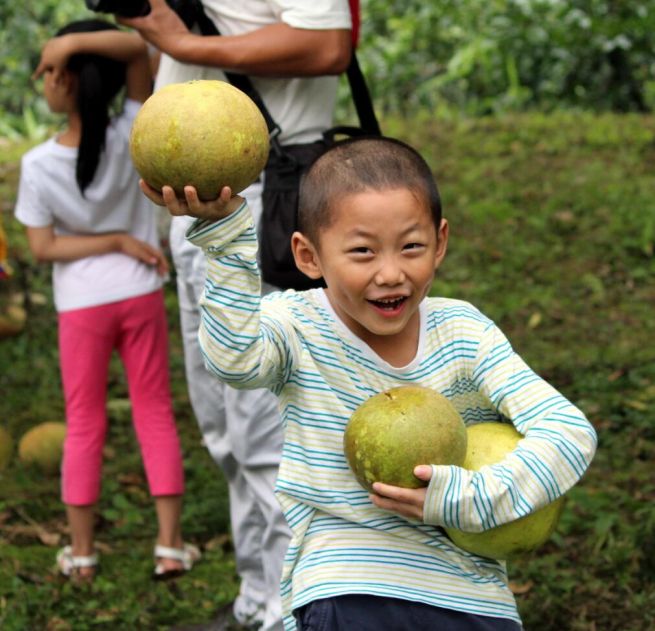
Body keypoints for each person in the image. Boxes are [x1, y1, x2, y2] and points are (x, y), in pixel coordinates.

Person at [142, 136, 598, 630]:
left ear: (440, 242)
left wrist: (472, 498)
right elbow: (234, 360)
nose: (390, 273)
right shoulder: (297, 327)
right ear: (309, 256)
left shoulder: (463, 334)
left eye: (412, 247)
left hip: (468, 592)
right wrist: (224, 232)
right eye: (362, 251)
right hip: (346, 583)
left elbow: (569, 432)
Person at [120, 2, 353, 629]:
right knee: (223, 423)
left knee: (265, 427)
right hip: (199, 191)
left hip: (262, 192)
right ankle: (258, 597)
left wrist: (185, 42)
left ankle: (288, 611)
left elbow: (328, 43)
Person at [14, 20, 199, 582]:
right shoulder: (137, 133)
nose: (43, 79)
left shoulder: (39, 164)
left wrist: (65, 43)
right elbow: (138, 49)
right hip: (139, 293)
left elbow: (43, 248)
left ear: (66, 81)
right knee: (154, 413)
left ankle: (83, 553)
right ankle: (170, 547)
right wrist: (121, 239)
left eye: (49, 70)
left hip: (81, 307)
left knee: (84, 423)